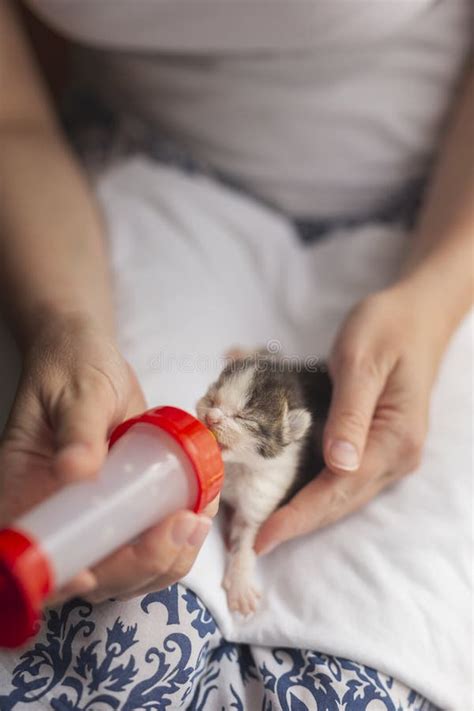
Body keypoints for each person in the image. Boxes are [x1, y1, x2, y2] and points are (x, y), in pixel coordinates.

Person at [0, 1, 472, 708]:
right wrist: (64, 326)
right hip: (132, 187)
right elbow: (13, 121)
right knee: (120, 634)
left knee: (365, 657)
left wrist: (435, 301)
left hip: (436, 221)